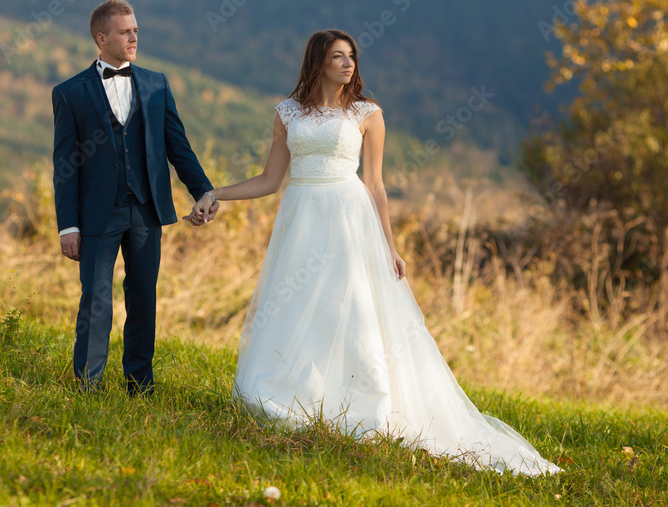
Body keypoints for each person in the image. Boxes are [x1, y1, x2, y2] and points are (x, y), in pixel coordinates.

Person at [188, 29, 561, 475]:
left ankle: (367, 402)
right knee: (301, 305)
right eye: (338, 57)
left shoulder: (367, 113)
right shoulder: (287, 113)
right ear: (318, 62)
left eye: (351, 57)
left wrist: (391, 246)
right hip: (301, 218)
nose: (348, 65)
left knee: (353, 307)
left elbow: (376, 185)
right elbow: (270, 180)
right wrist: (216, 193)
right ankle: (296, 392)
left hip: (350, 219)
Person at [52, 0, 218, 394]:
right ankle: (87, 387)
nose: (134, 37)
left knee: (143, 298)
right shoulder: (69, 93)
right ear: (101, 37)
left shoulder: (156, 84)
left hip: (146, 211)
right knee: (96, 299)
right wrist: (67, 225)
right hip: (96, 215)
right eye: (125, 32)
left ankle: (139, 386)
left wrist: (204, 191)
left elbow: (178, 147)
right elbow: (64, 164)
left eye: (136, 31)